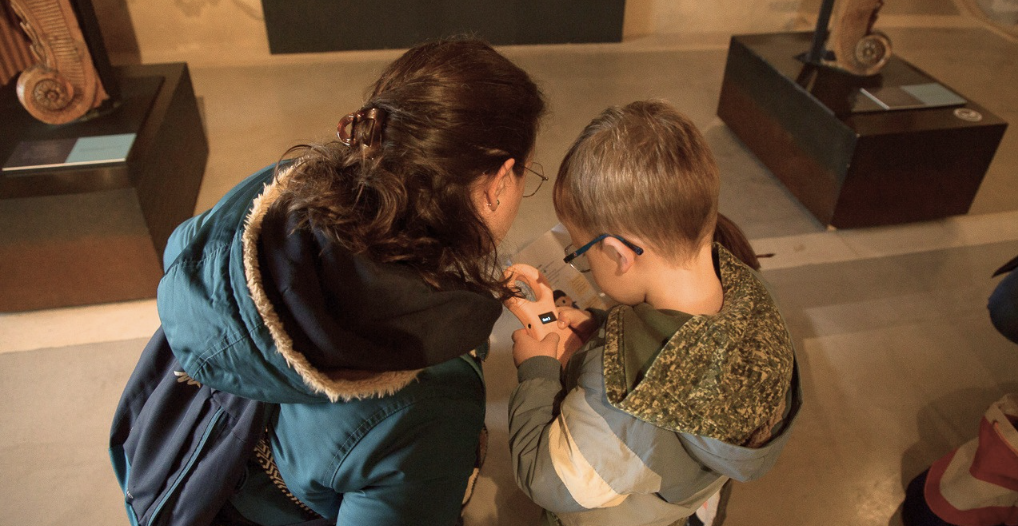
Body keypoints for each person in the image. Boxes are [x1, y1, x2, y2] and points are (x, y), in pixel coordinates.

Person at [153, 38, 545, 525]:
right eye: (529, 174)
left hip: (175, 470)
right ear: (499, 181)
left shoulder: (269, 203)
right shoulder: (433, 399)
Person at [507, 100, 802, 526]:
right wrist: (602, 331)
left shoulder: (628, 405)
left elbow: (546, 478)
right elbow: (690, 344)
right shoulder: (753, 294)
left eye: (581, 251)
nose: (583, 262)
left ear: (618, 253)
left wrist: (537, 371)